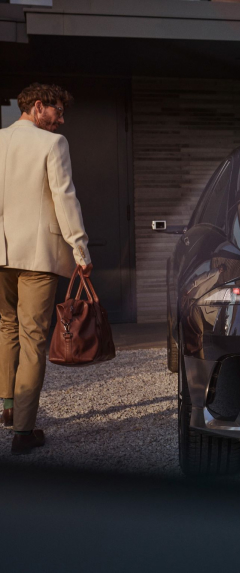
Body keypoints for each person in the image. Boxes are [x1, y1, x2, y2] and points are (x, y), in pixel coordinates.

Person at [0, 83, 92, 454]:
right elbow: (64, 197)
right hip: (37, 256)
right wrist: (80, 249)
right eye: (58, 111)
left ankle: (7, 408)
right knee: (34, 337)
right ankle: (23, 432)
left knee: (6, 327)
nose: (62, 120)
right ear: (38, 107)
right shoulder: (53, 144)